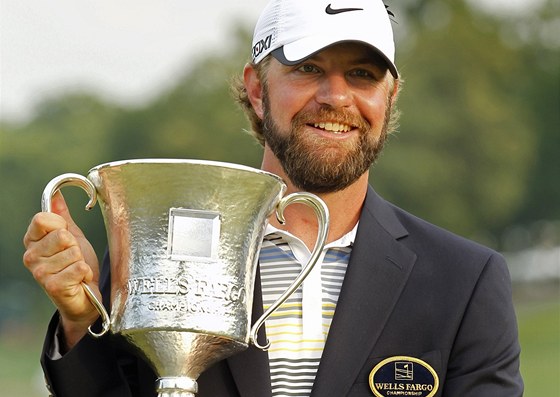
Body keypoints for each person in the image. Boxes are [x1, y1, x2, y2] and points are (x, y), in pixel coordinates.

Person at [23, 0, 523, 396]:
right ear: (258, 90)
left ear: (389, 99)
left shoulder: (465, 283)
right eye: (308, 69)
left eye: (362, 75)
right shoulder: (156, 246)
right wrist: (79, 315)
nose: (336, 97)